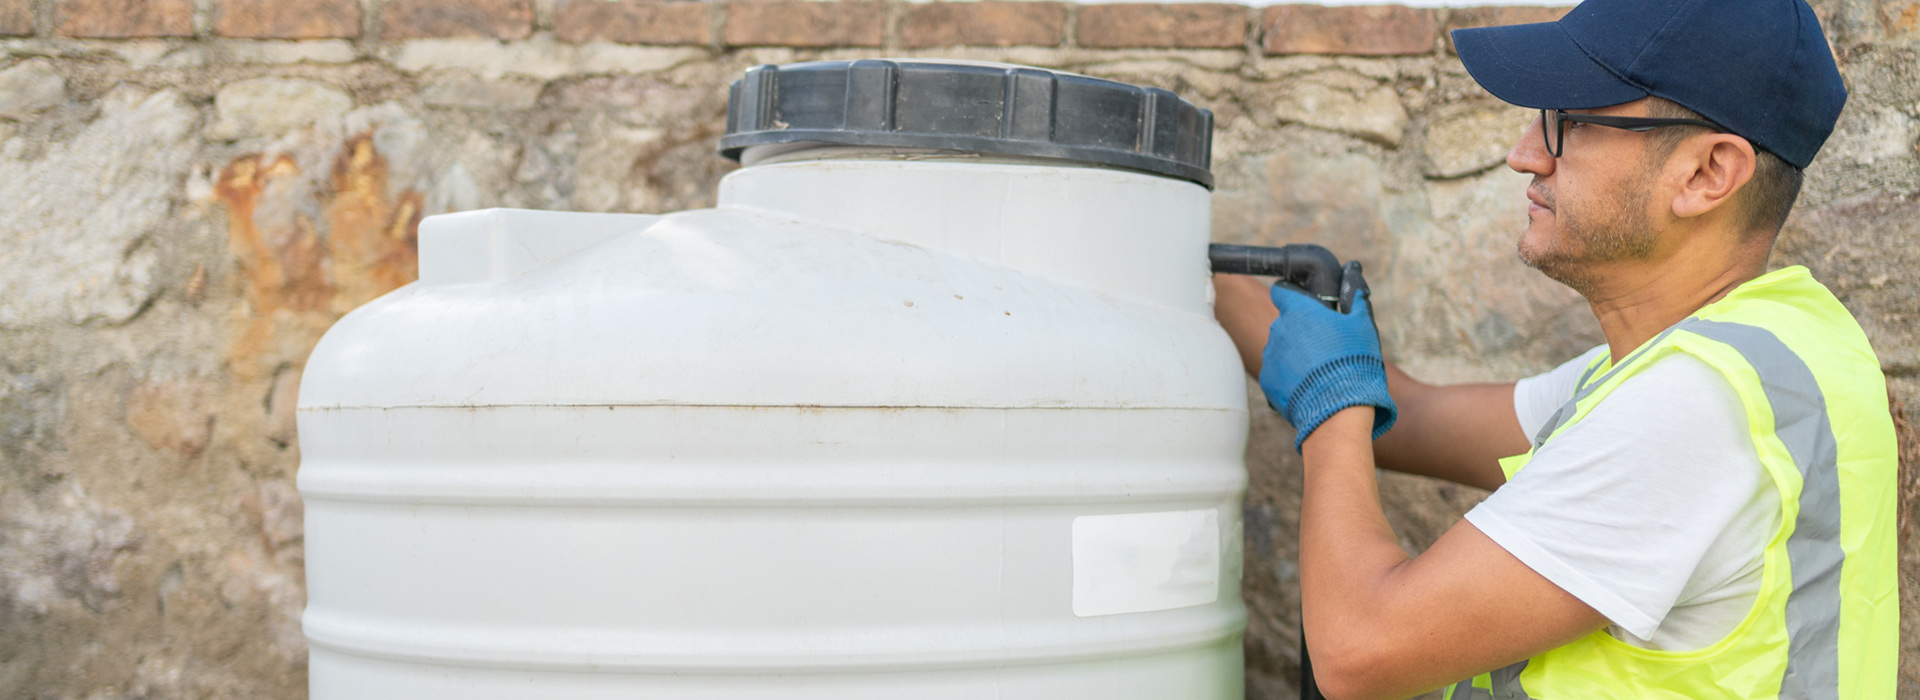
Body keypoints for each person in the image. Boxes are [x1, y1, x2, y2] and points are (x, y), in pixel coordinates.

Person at [1211, 0, 1899, 698]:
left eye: (1570, 122)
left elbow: (1358, 649)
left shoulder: (1696, 406)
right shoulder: (1756, 355)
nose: (1525, 154)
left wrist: (1331, 404)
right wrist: (1185, 257)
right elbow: (1407, 417)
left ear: (1706, 174)